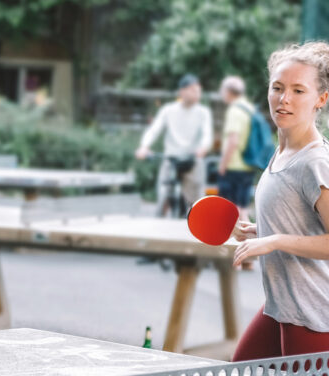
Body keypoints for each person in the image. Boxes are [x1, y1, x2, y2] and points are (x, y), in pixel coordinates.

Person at [231, 41, 329, 361]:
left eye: (299, 90)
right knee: (240, 367)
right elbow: (302, 221)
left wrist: (273, 240)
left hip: (312, 314)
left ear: (321, 99)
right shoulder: (284, 148)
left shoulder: (314, 162)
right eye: (278, 87)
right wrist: (260, 231)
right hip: (280, 306)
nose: (284, 99)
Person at [135, 74, 214, 217]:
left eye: (198, 90)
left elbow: (207, 134)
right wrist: (144, 146)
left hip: (192, 159)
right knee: (163, 196)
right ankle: (159, 227)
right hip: (171, 159)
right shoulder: (168, 110)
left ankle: (199, 232)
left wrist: (203, 147)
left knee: (198, 202)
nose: (197, 93)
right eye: (192, 90)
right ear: (182, 91)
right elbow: (154, 129)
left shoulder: (203, 112)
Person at [217, 76, 257, 221]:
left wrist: (223, 164)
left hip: (233, 165)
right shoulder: (249, 108)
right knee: (243, 207)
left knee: (229, 209)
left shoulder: (234, 110)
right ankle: (247, 240)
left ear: (229, 91)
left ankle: (231, 239)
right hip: (248, 163)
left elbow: (233, 141)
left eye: (222, 90)